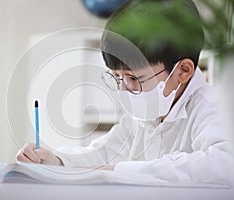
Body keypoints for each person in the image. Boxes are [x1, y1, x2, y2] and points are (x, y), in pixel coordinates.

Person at [16, 0, 233, 185]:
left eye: (133, 78)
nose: (123, 88)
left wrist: (123, 171)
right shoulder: (145, 114)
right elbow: (102, 153)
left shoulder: (212, 105)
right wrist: (56, 161)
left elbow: (223, 164)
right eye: (117, 77)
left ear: (183, 71)